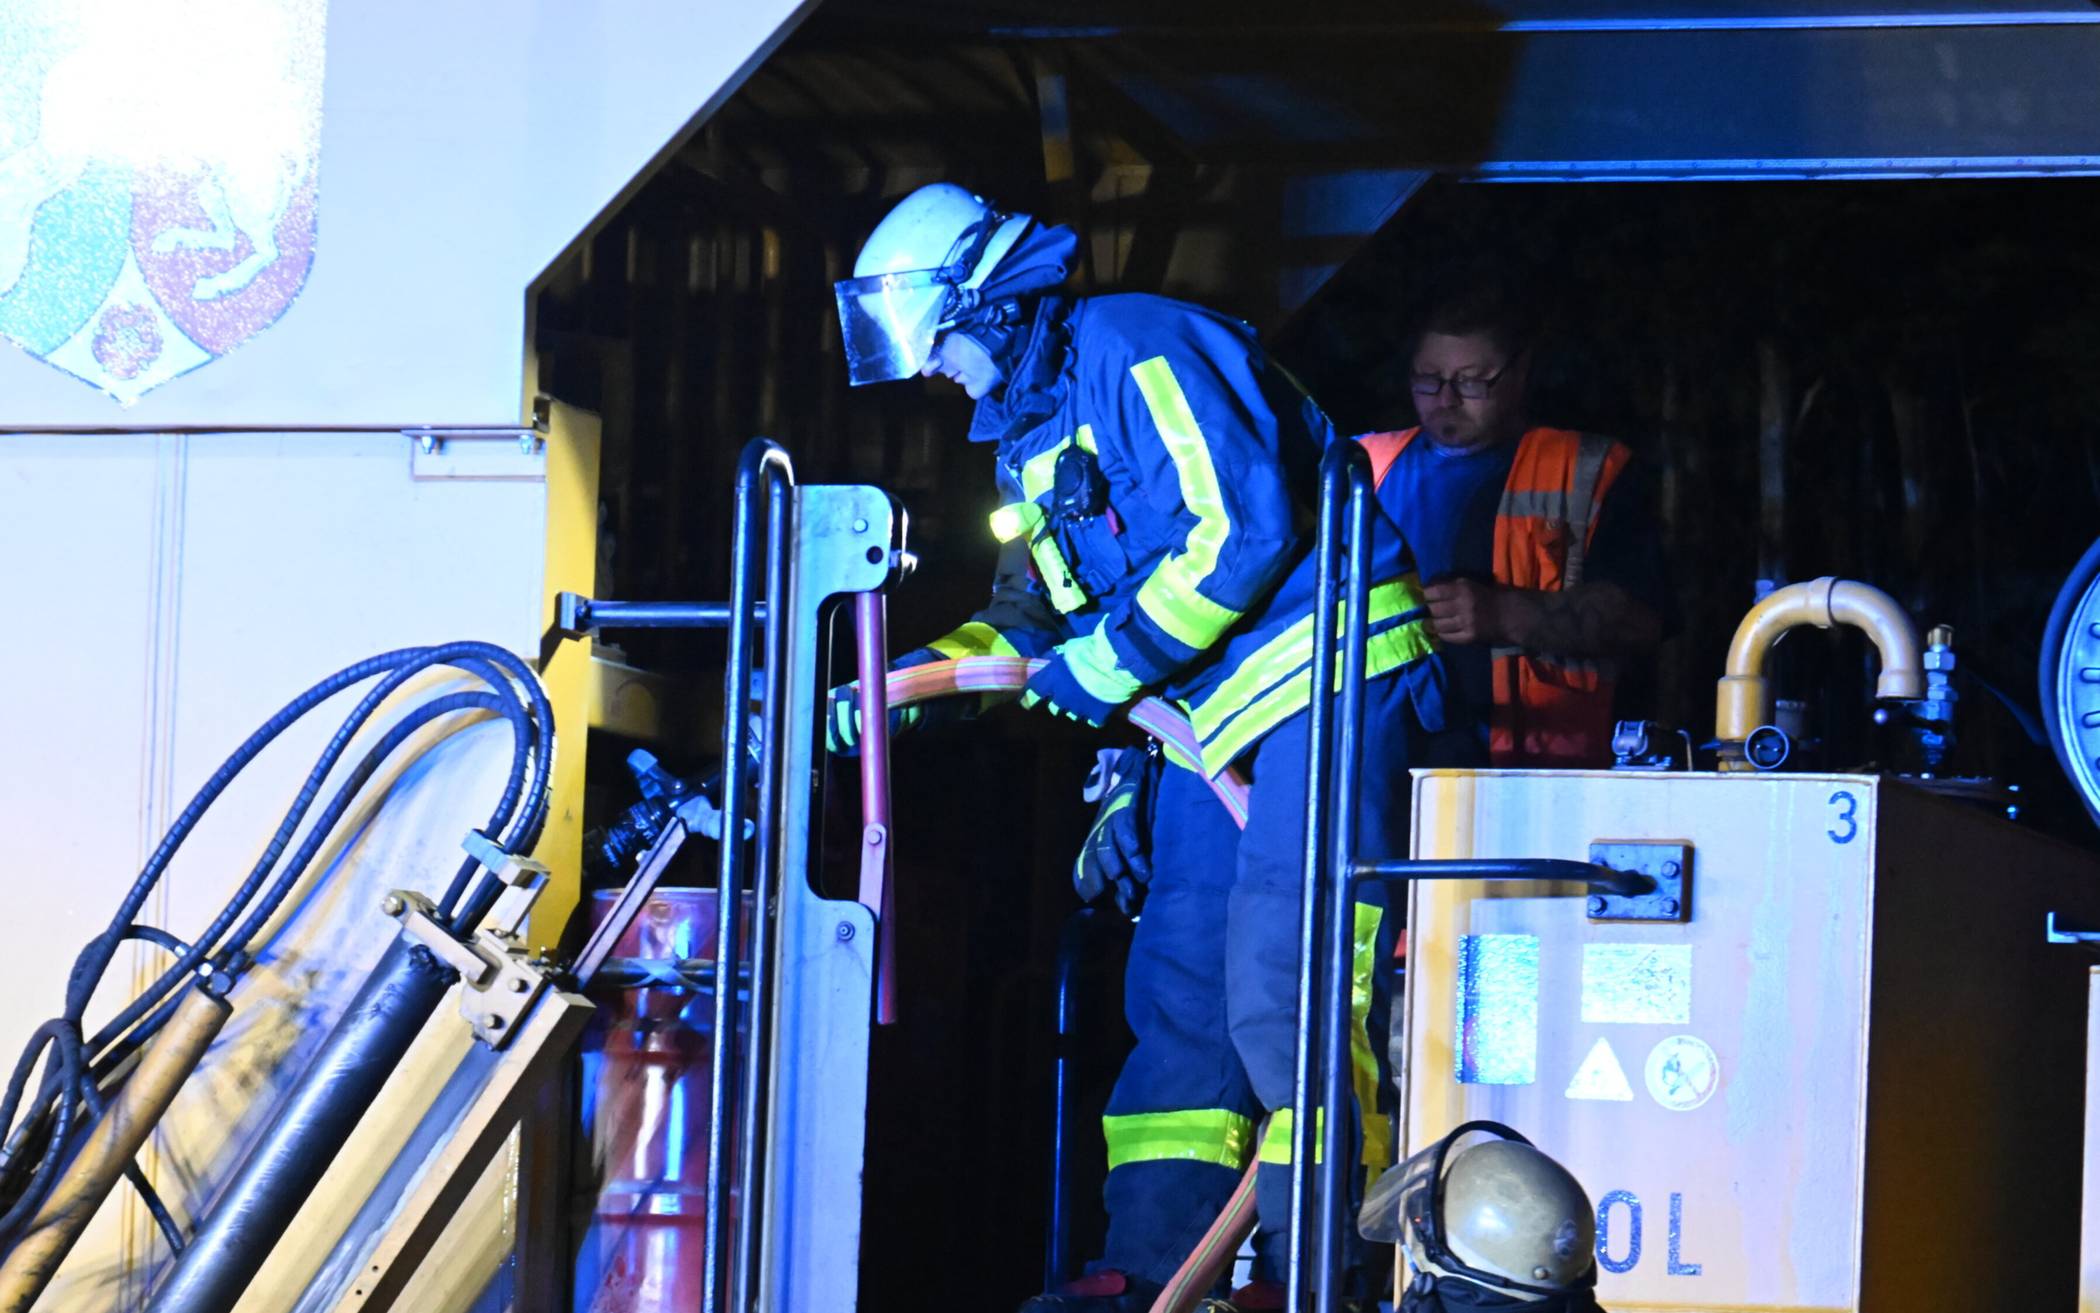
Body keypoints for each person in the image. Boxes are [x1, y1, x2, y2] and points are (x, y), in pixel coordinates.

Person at [826, 182, 1454, 1311]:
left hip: (1328, 676)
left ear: (992, 307)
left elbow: (1240, 529)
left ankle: (1325, 1276)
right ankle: (1156, 1274)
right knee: (1180, 989)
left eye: (942, 345)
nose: (936, 374)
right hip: (1211, 726)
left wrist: (1112, 668)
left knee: (1290, 982)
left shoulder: (1139, 345)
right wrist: (911, 685)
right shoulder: (1028, 442)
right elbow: (1034, 620)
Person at [1358, 289, 1668, 767]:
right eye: (1429, 379)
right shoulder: (1362, 466)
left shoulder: (1590, 470)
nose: (1446, 399)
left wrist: (1503, 615)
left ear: (1519, 374)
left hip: (1537, 769)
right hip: (1378, 765)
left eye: (1471, 381)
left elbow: (1643, 619)